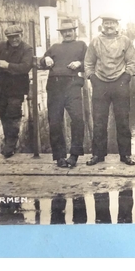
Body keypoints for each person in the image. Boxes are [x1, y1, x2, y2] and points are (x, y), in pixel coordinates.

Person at [84, 14, 135, 166]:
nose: (109, 26)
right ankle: (98, 155)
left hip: (120, 83)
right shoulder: (95, 41)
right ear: (102, 25)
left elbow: (132, 61)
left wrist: (126, 77)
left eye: (112, 23)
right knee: (99, 121)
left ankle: (125, 155)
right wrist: (93, 78)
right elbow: (88, 63)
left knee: (122, 120)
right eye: (106, 23)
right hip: (100, 83)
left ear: (117, 25)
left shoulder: (125, 41)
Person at [40, 21, 88, 168]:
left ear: (75, 31)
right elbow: (41, 63)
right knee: (55, 122)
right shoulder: (55, 47)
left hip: (72, 86)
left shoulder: (81, 45)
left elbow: (90, 63)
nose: (67, 34)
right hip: (55, 86)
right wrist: (45, 59)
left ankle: (74, 155)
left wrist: (80, 64)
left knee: (78, 119)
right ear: (61, 33)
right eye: (64, 32)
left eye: (70, 31)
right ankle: (59, 157)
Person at [0, 25, 33, 158]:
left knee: (13, 115)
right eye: (11, 37)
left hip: (16, 89)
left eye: (16, 37)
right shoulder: (1, 46)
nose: (14, 40)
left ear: (21, 36)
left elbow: (25, 67)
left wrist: (7, 65)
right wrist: (11, 68)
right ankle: (9, 143)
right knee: (4, 115)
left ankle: (10, 146)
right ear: (7, 38)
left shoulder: (27, 49)